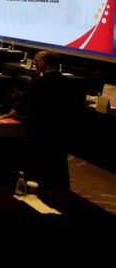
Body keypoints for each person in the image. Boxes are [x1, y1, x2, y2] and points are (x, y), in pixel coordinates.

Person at [24, 51, 80, 190]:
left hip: (40, 133)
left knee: (39, 167)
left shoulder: (40, 83)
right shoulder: (69, 83)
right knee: (58, 165)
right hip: (61, 134)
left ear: (45, 62)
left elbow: (32, 110)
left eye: (37, 60)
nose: (35, 62)